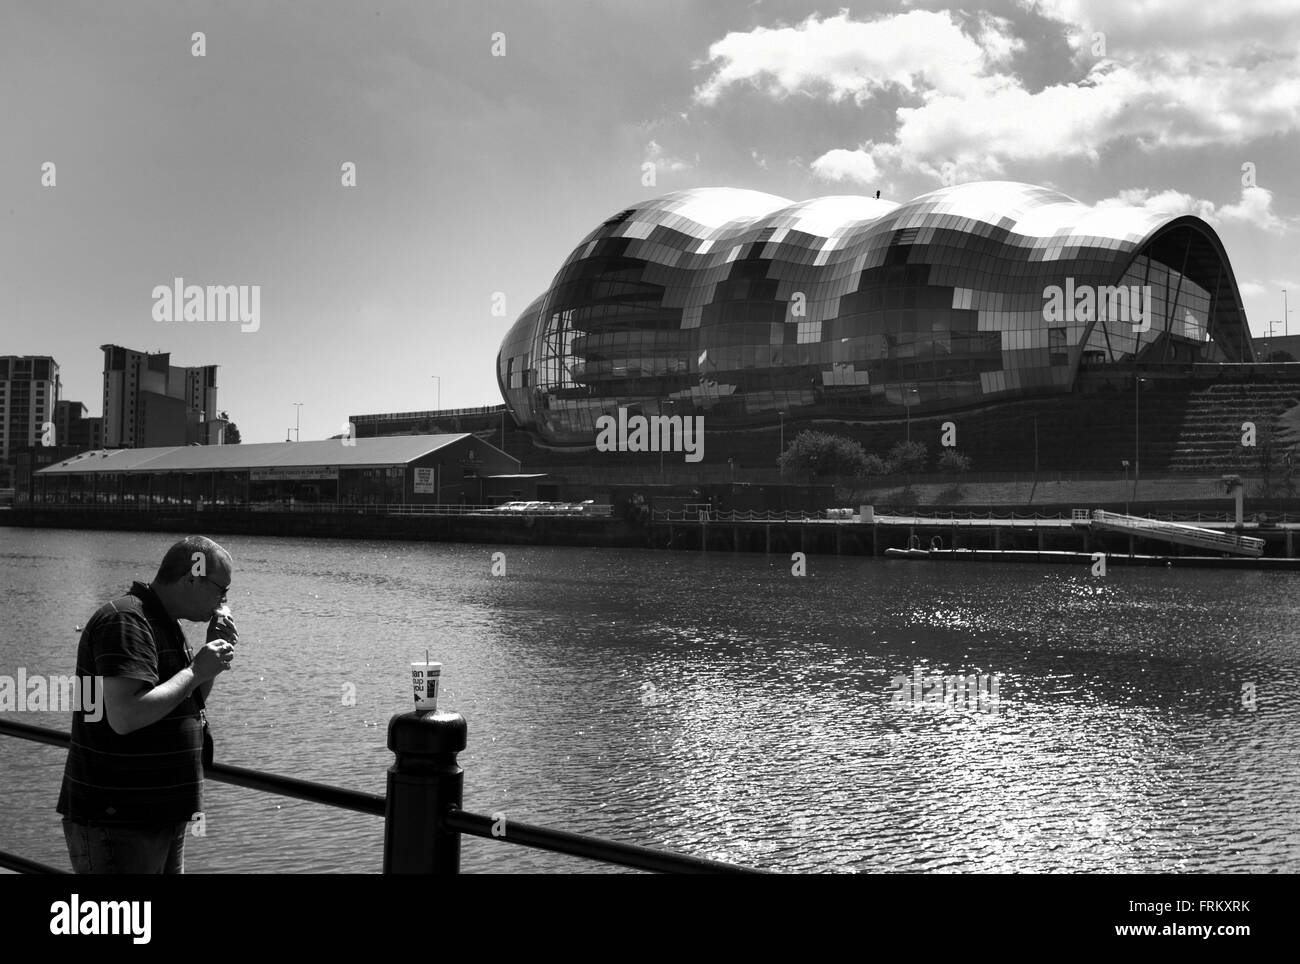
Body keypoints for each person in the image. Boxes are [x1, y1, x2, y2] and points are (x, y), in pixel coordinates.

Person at [56, 535, 239, 873]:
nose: (223, 601)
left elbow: (182, 701)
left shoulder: (164, 623)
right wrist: (197, 668)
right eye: (221, 589)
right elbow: (127, 715)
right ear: (191, 578)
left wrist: (209, 658)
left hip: (158, 815)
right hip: (120, 820)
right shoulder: (126, 620)